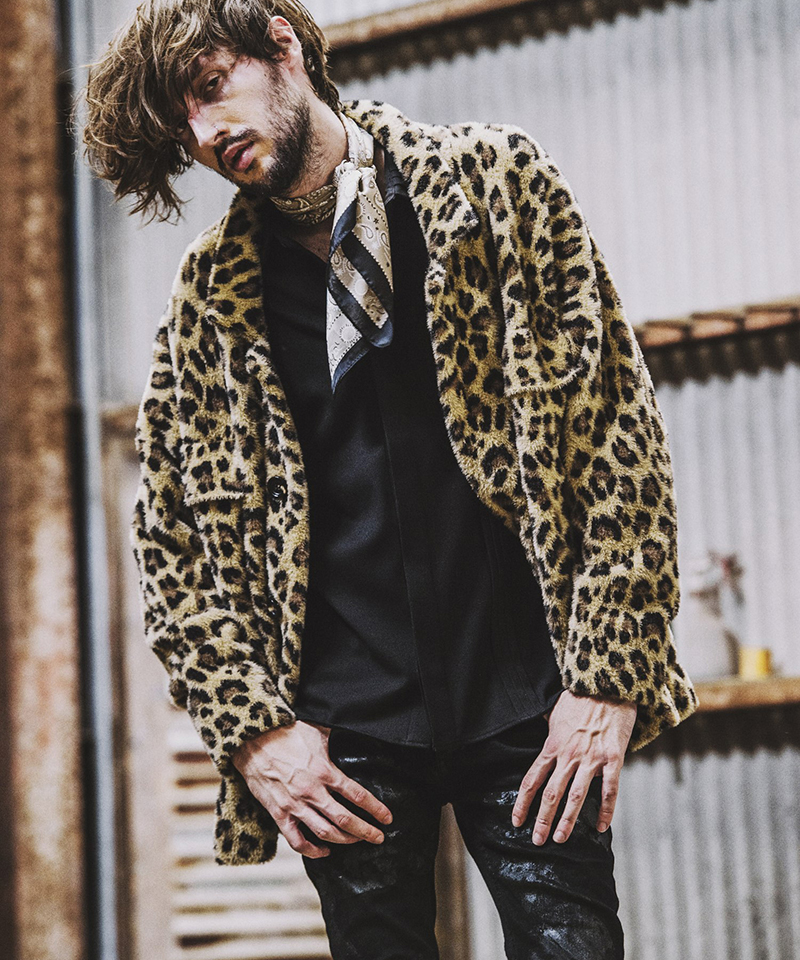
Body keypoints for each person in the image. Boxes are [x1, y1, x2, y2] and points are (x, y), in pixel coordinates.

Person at [82, 1, 697, 956]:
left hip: (531, 701)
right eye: (182, 125)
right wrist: (255, 734)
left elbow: (617, 432)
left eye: (210, 87)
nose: (204, 134)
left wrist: (608, 677)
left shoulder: (495, 184)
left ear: (281, 43)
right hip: (346, 738)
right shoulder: (210, 300)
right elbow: (170, 547)